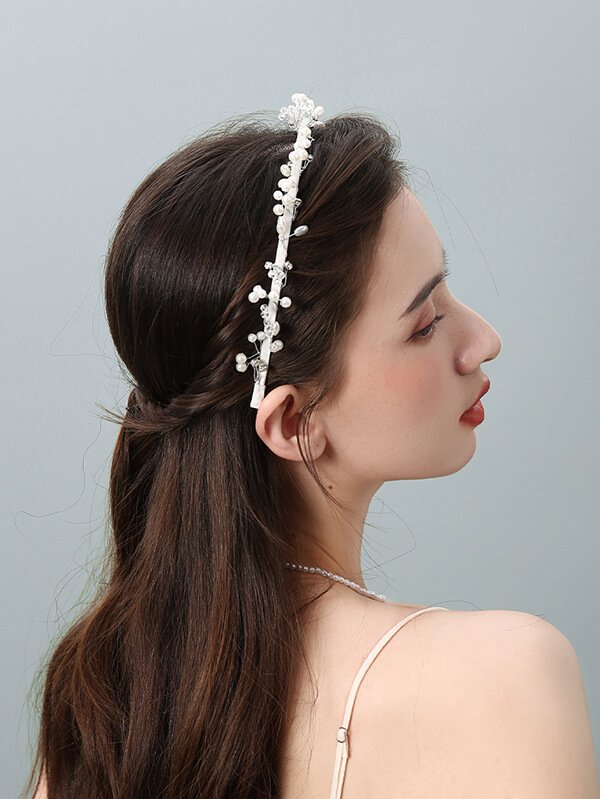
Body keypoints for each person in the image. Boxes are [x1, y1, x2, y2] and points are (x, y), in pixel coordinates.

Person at [27, 94, 599, 798]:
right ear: (293, 420)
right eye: (425, 323)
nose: (483, 340)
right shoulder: (506, 674)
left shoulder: (107, 693)